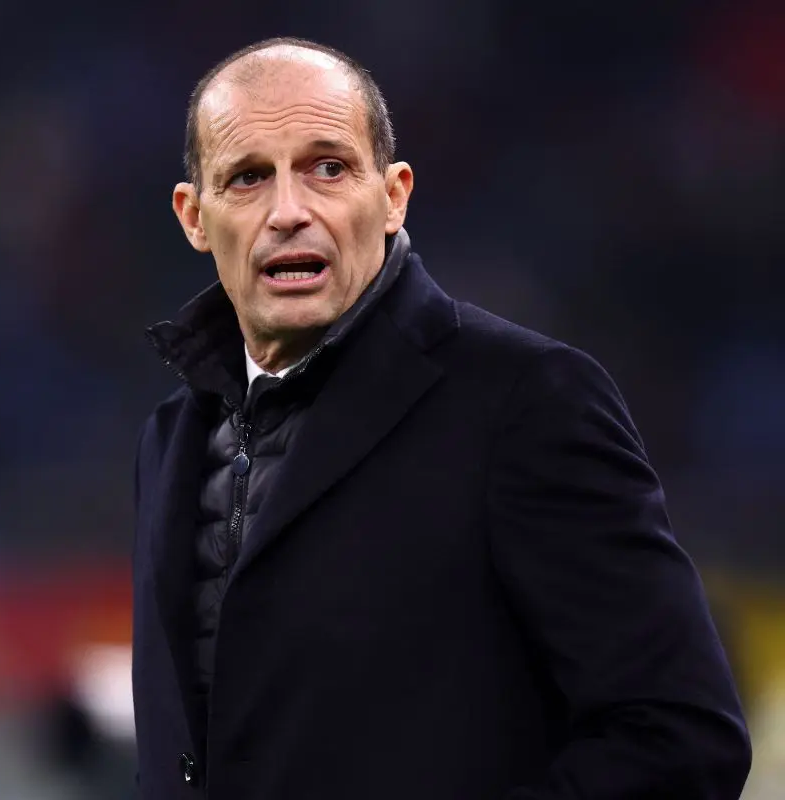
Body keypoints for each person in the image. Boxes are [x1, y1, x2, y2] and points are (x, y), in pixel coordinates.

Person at [130, 36, 751, 800]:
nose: (289, 211)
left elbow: (680, 740)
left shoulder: (526, 401)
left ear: (394, 196)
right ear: (195, 216)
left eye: (329, 168)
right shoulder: (171, 438)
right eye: (249, 177)